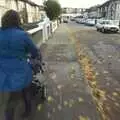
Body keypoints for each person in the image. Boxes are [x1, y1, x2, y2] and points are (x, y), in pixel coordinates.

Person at [0, 10, 40, 120]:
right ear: (17, 21)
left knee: (11, 95)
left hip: (3, 73)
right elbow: (34, 52)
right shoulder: (22, 35)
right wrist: (35, 58)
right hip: (19, 72)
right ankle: (27, 111)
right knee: (23, 92)